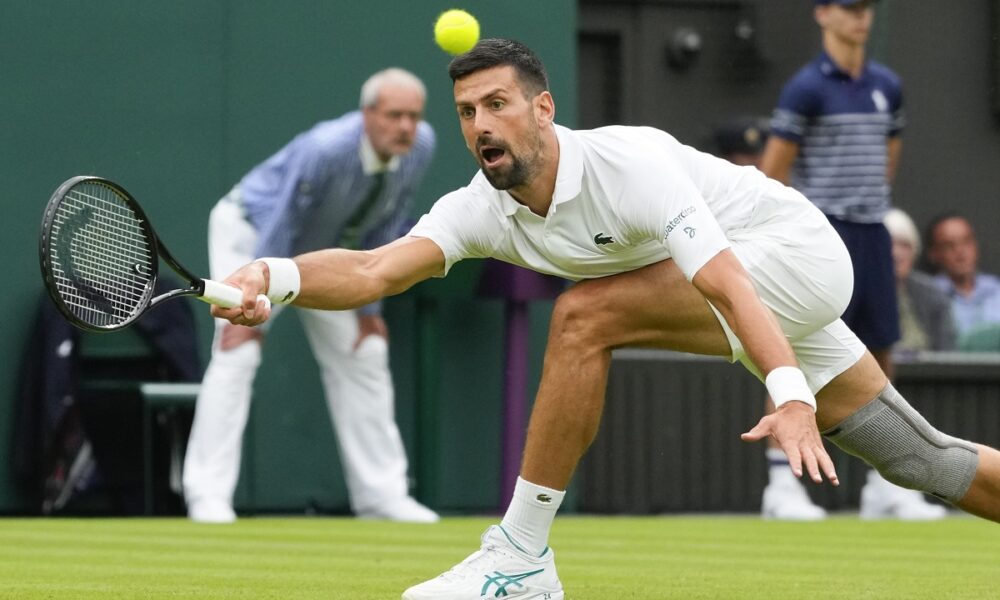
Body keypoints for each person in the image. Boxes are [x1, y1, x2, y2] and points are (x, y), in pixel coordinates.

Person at [210, 39, 1000, 599]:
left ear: (543, 109)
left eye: (498, 104)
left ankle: (520, 558)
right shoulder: (480, 209)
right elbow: (374, 268)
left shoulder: (631, 164)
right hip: (766, 289)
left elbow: (724, 279)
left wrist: (789, 393)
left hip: (792, 255)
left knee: (585, 315)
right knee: (918, 459)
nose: (481, 124)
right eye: (466, 112)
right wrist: (273, 276)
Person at [182, 68, 439, 524]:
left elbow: (388, 220)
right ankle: (208, 495)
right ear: (368, 115)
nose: (405, 126)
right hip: (254, 236)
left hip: (328, 252)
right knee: (237, 352)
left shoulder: (420, 146)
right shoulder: (326, 149)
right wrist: (254, 300)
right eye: (395, 115)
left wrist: (369, 307)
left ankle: (382, 496)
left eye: (413, 116)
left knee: (367, 351)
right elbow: (283, 222)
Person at [755, 0, 943, 520]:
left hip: (873, 233)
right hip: (821, 235)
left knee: (882, 352)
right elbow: (773, 173)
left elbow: (888, 157)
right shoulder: (805, 89)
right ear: (823, 14)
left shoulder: (888, 85)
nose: (862, 16)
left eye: (866, 7)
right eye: (849, 6)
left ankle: (888, 483)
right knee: (793, 351)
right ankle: (781, 486)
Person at [885, 208, 956, 355]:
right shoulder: (859, 294)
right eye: (889, 244)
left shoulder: (932, 293)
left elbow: (947, 352)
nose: (896, 254)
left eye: (905, 245)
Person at [925, 213, 1000, 344]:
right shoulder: (928, 295)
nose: (960, 251)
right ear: (934, 254)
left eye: (966, 241)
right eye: (949, 245)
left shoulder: (996, 289)